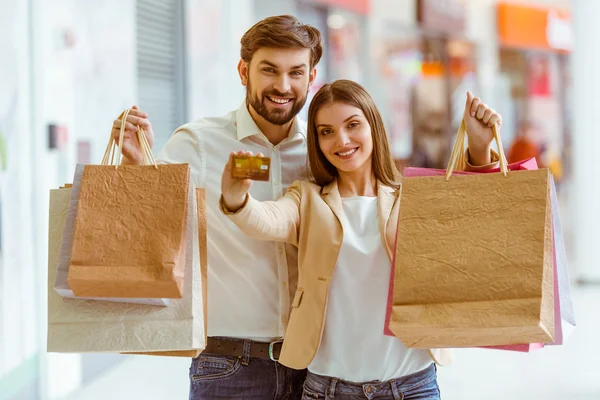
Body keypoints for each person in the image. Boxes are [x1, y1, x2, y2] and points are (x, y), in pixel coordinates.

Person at [220, 80, 502, 400]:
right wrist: (236, 200)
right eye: (326, 131)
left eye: (352, 125)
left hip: (411, 384)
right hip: (329, 389)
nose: (341, 140)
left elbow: (477, 220)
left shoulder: (414, 196)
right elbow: (266, 221)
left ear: (373, 126)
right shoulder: (307, 199)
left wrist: (479, 149)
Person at [111, 15, 322, 400]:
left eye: (296, 72)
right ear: (244, 71)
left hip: (318, 366)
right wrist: (136, 163)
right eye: (269, 70)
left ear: (311, 78)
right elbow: (149, 224)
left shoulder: (324, 150)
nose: (283, 85)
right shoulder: (198, 143)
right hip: (230, 367)